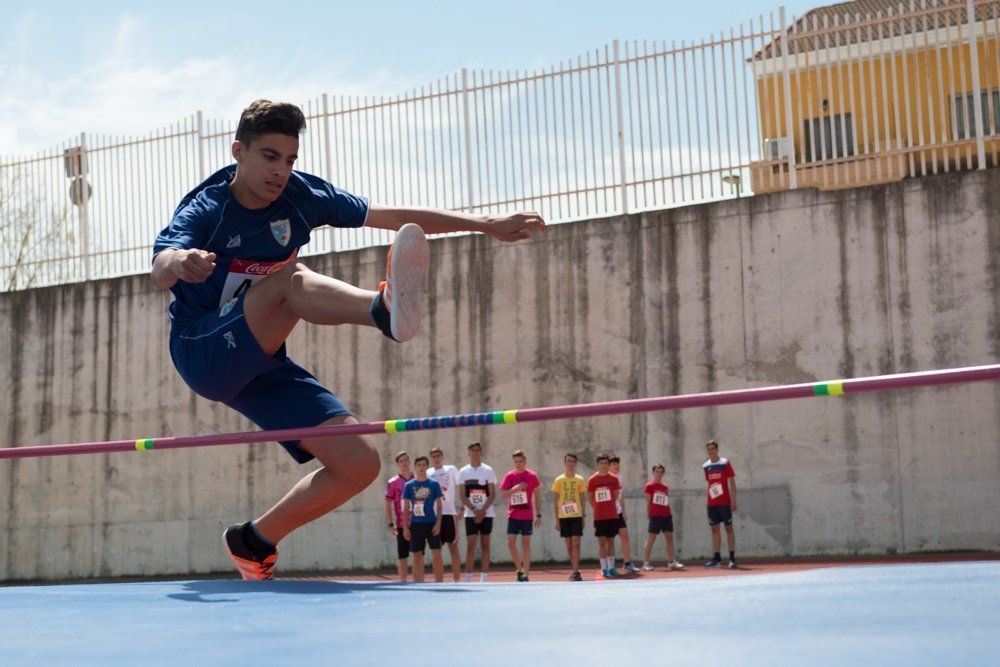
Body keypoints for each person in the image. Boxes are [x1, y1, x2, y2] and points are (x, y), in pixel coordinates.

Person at [151, 100, 545, 579]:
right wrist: (180, 262)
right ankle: (382, 310)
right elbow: (161, 262)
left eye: (290, 159)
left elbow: (392, 215)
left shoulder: (301, 196)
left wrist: (487, 224)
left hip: (260, 359)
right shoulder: (208, 207)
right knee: (289, 278)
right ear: (239, 151)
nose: (281, 171)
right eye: (269, 157)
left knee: (358, 462)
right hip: (202, 350)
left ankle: (252, 542)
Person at [498, 450, 541, 582]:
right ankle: (519, 569)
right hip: (513, 515)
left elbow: (538, 497)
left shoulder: (531, 476)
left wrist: (538, 515)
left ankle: (526, 574)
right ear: (513, 462)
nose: (518, 464)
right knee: (510, 543)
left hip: (527, 516)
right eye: (516, 461)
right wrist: (515, 488)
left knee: (525, 544)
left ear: (525, 461)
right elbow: (502, 495)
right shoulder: (509, 476)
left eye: (520, 461)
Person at [458, 442, 497, 582]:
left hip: (487, 513)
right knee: (471, 546)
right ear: (468, 453)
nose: (475, 452)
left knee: (485, 545)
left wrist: (483, 511)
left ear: (481, 452)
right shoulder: (463, 472)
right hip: (470, 514)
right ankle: (468, 577)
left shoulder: (488, 470)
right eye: (472, 450)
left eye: (477, 450)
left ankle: (484, 577)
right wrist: (475, 510)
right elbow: (462, 495)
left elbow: (492, 494)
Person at [402, 456, 444, 583]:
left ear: (427, 466)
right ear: (415, 467)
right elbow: (406, 508)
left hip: (431, 523)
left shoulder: (434, 484)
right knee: (417, 554)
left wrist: (438, 524)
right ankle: (418, 583)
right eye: (419, 465)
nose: (421, 467)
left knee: (436, 553)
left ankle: (439, 583)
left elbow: (439, 505)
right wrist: (405, 527)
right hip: (416, 524)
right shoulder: (409, 485)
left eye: (423, 465)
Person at [428, 446, 462, 582]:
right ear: (431, 458)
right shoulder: (428, 472)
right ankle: (439, 581)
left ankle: (457, 580)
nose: (436, 459)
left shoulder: (451, 469)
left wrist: (462, 509)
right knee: (436, 550)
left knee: (453, 547)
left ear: (443, 457)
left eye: (438, 456)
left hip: (449, 513)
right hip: (434, 516)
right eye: (434, 456)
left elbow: (462, 487)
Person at [551, 453, 587, 581]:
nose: (570, 463)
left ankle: (576, 571)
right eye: (568, 461)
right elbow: (555, 501)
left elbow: (583, 499)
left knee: (576, 543)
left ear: (576, 464)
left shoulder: (580, 480)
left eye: (572, 461)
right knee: (569, 546)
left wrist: (583, 515)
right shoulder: (559, 480)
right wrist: (557, 520)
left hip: (576, 515)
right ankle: (574, 568)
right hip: (563, 516)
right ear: (564, 463)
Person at [641, 464, 684, 571]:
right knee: (651, 538)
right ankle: (646, 563)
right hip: (655, 516)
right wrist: (649, 514)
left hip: (666, 516)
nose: (659, 474)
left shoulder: (665, 487)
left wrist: (669, 514)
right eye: (657, 471)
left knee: (669, 537)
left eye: (661, 472)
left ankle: (672, 561)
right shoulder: (649, 486)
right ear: (653, 472)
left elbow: (665, 501)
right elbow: (648, 502)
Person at [703, 440, 738, 568]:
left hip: (724, 503)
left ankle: (732, 558)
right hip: (712, 503)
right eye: (709, 449)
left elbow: (732, 483)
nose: (711, 451)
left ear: (717, 449)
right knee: (714, 529)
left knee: (729, 528)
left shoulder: (724, 463)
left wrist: (733, 500)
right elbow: (710, 483)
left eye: (713, 448)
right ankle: (717, 559)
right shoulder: (706, 465)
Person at [588, 453, 622, 578]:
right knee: (602, 542)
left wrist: (609, 506)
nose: (604, 466)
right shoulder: (592, 480)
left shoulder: (614, 479)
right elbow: (590, 498)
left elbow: (616, 494)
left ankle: (612, 568)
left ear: (608, 465)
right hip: (599, 516)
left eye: (606, 463)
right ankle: (604, 568)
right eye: (601, 463)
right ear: (597, 464)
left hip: (612, 515)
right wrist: (598, 508)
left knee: (611, 541)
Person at [385, 451, 414, 582]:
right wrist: (391, 523)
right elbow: (388, 504)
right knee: (403, 555)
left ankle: (418, 581)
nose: (404, 463)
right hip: (402, 524)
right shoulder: (393, 482)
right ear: (397, 464)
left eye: (406, 460)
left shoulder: (417, 480)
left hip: (418, 522)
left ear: (409, 461)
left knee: (418, 553)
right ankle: (403, 581)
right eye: (401, 461)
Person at [608, 455, 639, 574]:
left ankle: (627, 563)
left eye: (617, 464)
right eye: (614, 464)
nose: (617, 466)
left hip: (618, 512)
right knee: (608, 540)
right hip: (607, 514)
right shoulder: (604, 478)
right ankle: (608, 566)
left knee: (625, 536)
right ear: (609, 466)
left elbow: (620, 496)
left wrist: (624, 511)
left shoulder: (619, 478)